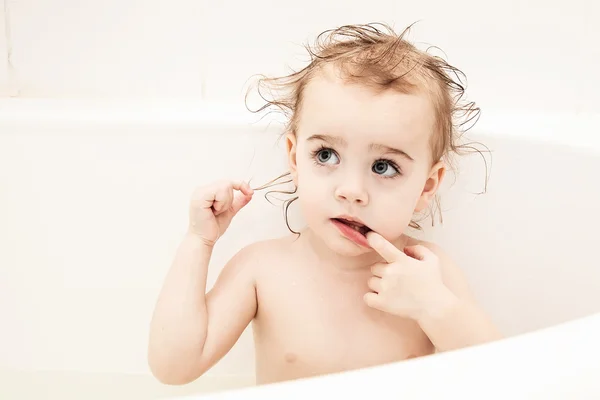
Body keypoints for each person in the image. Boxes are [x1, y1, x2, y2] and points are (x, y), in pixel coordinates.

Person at [148, 22, 502, 386]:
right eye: (327, 154)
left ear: (427, 187)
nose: (351, 191)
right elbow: (174, 367)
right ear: (295, 159)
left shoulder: (429, 274)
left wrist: (433, 306)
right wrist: (198, 242)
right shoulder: (261, 270)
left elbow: (504, 377)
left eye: (384, 166)